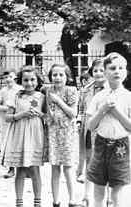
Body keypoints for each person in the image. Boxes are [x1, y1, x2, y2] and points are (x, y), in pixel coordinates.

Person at [86, 52, 131, 207]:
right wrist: (103, 110)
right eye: (112, 68)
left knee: (117, 191)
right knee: (98, 190)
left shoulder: (128, 97)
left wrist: (116, 111)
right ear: (105, 73)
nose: (117, 71)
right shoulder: (99, 97)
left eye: (121, 68)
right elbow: (90, 126)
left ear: (126, 72)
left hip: (121, 147)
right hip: (100, 145)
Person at [2, 66, 45, 207]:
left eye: (32, 79)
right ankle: (19, 202)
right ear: (21, 81)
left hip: (35, 135)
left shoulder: (42, 97)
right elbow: (7, 117)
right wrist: (21, 114)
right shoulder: (16, 96)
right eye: (26, 80)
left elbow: (48, 116)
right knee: (20, 169)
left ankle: (37, 202)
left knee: (34, 169)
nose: (29, 83)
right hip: (19, 135)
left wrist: (40, 114)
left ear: (37, 80)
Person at [43, 64, 81, 207]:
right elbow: (48, 113)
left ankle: (72, 200)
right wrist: (49, 116)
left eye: (61, 75)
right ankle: (56, 201)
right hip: (53, 132)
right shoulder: (49, 90)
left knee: (68, 167)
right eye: (54, 75)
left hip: (67, 133)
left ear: (67, 77)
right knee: (54, 167)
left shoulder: (71, 90)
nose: (57, 77)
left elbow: (73, 113)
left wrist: (58, 101)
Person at [77, 59, 108, 207]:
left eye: (102, 70)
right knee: (90, 162)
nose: (99, 73)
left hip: (106, 129)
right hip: (89, 129)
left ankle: (109, 197)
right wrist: (79, 122)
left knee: (107, 163)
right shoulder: (86, 89)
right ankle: (86, 195)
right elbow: (81, 109)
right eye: (95, 70)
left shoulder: (112, 89)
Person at [0, 69, 23, 178]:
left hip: (19, 119)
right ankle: (11, 169)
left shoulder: (20, 89)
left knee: (20, 142)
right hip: (7, 120)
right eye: (6, 77)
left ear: (15, 78)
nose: (8, 79)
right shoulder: (2, 91)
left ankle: (23, 169)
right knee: (8, 143)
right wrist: (5, 108)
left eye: (10, 77)